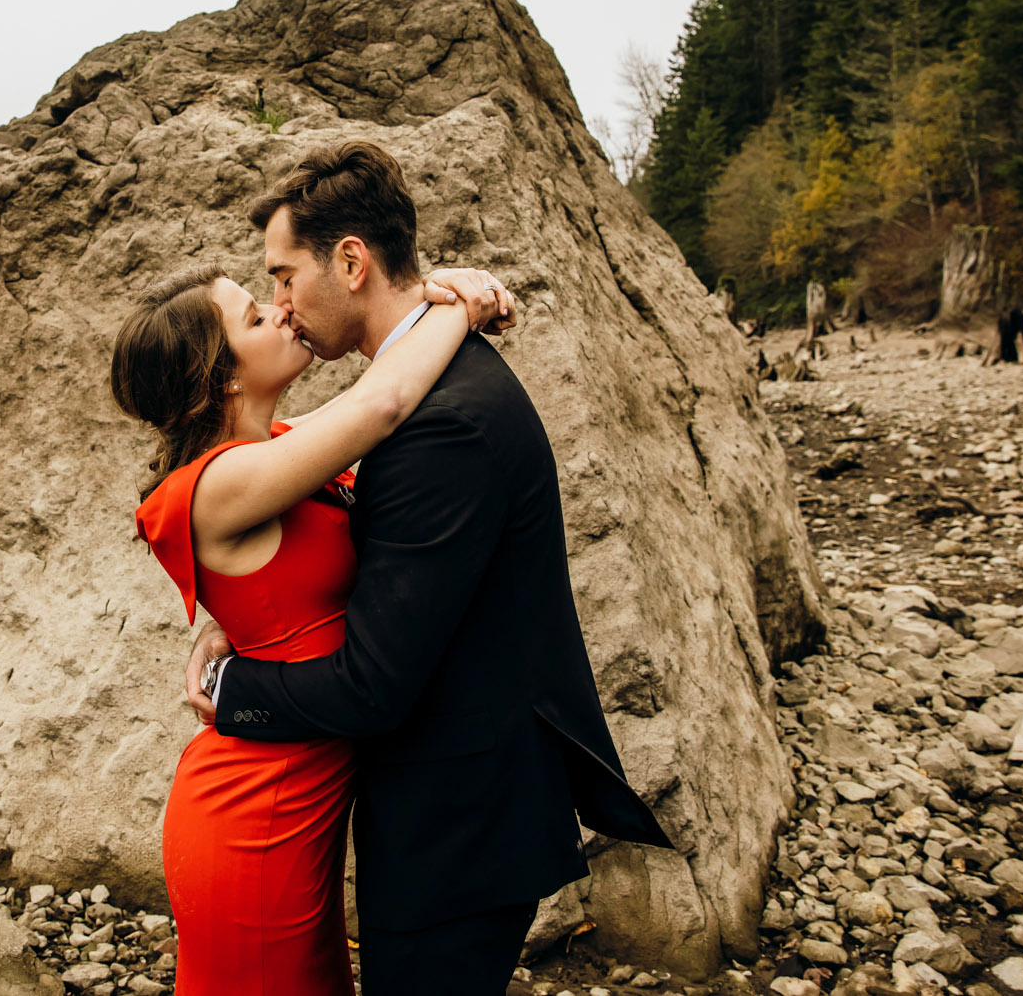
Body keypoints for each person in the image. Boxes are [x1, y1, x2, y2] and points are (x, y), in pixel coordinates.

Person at [186, 141, 673, 995]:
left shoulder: (438, 424)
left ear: (350, 261)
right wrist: (241, 613)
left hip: (456, 826)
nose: (281, 303)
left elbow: (373, 686)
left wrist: (232, 690)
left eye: (283, 275)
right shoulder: (443, 381)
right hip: (465, 807)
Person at [111, 248, 511, 995]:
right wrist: (458, 302)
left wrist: (233, 625)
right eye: (256, 317)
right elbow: (381, 404)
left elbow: (295, 574)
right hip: (255, 809)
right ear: (223, 374)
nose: (283, 310)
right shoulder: (219, 482)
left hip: (301, 799)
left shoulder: (282, 445)